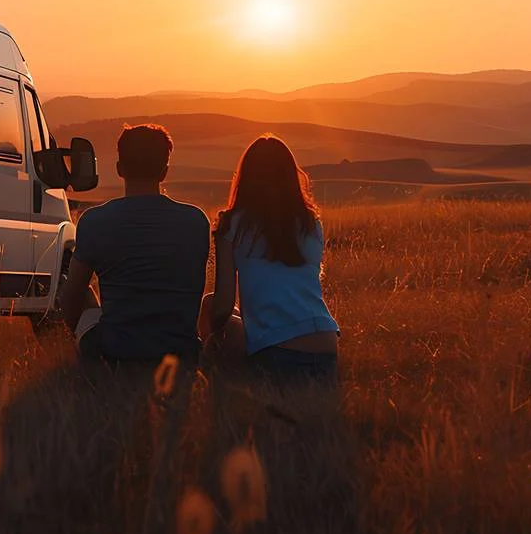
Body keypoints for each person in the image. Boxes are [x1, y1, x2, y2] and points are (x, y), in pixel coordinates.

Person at [55, 124, 211, 364]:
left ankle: (89, 362)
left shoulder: (95, 221)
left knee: (78, 290)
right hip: (182, 354)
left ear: (120, 169)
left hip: (116, 353)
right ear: (164, 171)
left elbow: (72, 296)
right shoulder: (196, 221)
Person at [200, 134, 339, 381]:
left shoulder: (232, 224)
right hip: (327, 346)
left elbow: (223, 304)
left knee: (210, 304)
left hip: (277, 353)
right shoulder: (310, 223)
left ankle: (211, 379)